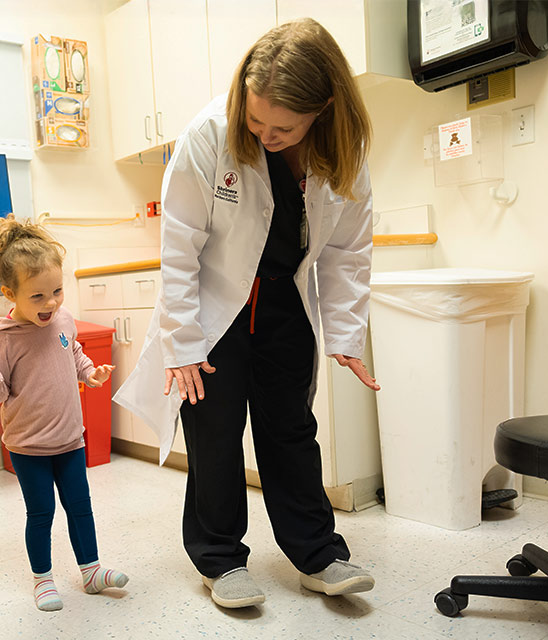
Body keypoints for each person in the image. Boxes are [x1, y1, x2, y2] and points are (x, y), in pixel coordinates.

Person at [114, 18, 380, 609]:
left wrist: (344, 332)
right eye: (255, 120)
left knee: (291, 430)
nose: (264, 133)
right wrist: (183, 342)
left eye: (282, 126)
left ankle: (318, 553)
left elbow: (347, 251)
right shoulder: (209, 133)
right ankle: (220, 559)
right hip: (213, 309)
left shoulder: (344, 152)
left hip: (284, 301)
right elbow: (179, 246)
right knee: (214, 435)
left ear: (324, 107)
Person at [0, 217, 128, 612]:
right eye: (37, 296)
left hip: (71, 438)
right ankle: (42, 579)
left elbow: (71, 352)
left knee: (81, 507)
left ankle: (91, 572)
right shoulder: (1, 338)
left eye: (56, 291)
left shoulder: (63, 320)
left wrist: (90, 373)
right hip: (29, 446)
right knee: (41, 513)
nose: (51, 303)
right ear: (11, 293)